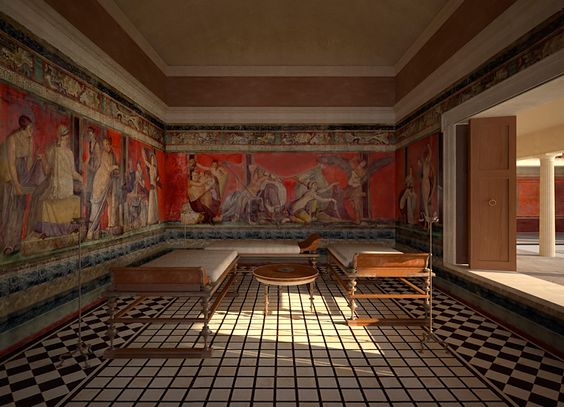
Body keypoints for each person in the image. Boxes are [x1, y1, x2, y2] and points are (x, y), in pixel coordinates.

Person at [30, 124, 82, 237]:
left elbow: (73, 172)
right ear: (60, 137)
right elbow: (47, 170)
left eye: (68, 137)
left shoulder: (70, 153)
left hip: (67, 188)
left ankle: (71, 228)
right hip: (56, 188)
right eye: (65, 137)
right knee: (43, 201)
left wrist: (82, 178)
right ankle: (48, 231)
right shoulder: (53, 151)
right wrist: (43, 159)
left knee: (75, 201)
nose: (67, 139)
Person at [0, 115, 41, 255]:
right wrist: (17, 185)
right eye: (29, 129)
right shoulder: (13, 139)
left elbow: (29, 161)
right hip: (11, 177)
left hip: (22, 175)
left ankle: (16, 242)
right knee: (10, 210)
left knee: (20, 209)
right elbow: (11, 164)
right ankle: (7, 244)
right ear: (23, 128)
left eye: (32, 128)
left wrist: (29, 174)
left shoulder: (29, 139)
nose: (32, 131)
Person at [87, 136, 120, 240]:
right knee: (96, 207)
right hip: (100, 183)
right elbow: (109, 168)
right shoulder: (104, 154)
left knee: (110, 204)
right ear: (103, 145)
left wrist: (116, 169)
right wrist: (115, 167)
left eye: (109, 144)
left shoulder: (112, 154)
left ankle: (109, 227)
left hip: (108, 183)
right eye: (106, 144)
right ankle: (91, 231)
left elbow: (114, 170)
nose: (108, 146)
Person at [143, 149, 159, 225]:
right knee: (152, 202)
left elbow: (156, 178)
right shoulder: (151, 167)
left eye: (153, 160)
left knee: (154, 202)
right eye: (151, 160)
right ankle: (151, 219)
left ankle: (155, 219)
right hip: (152, 186)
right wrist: (143, 154)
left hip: (154, 186)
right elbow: (146, 162)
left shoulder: (154, 168)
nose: (152, 161)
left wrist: (156, 179)